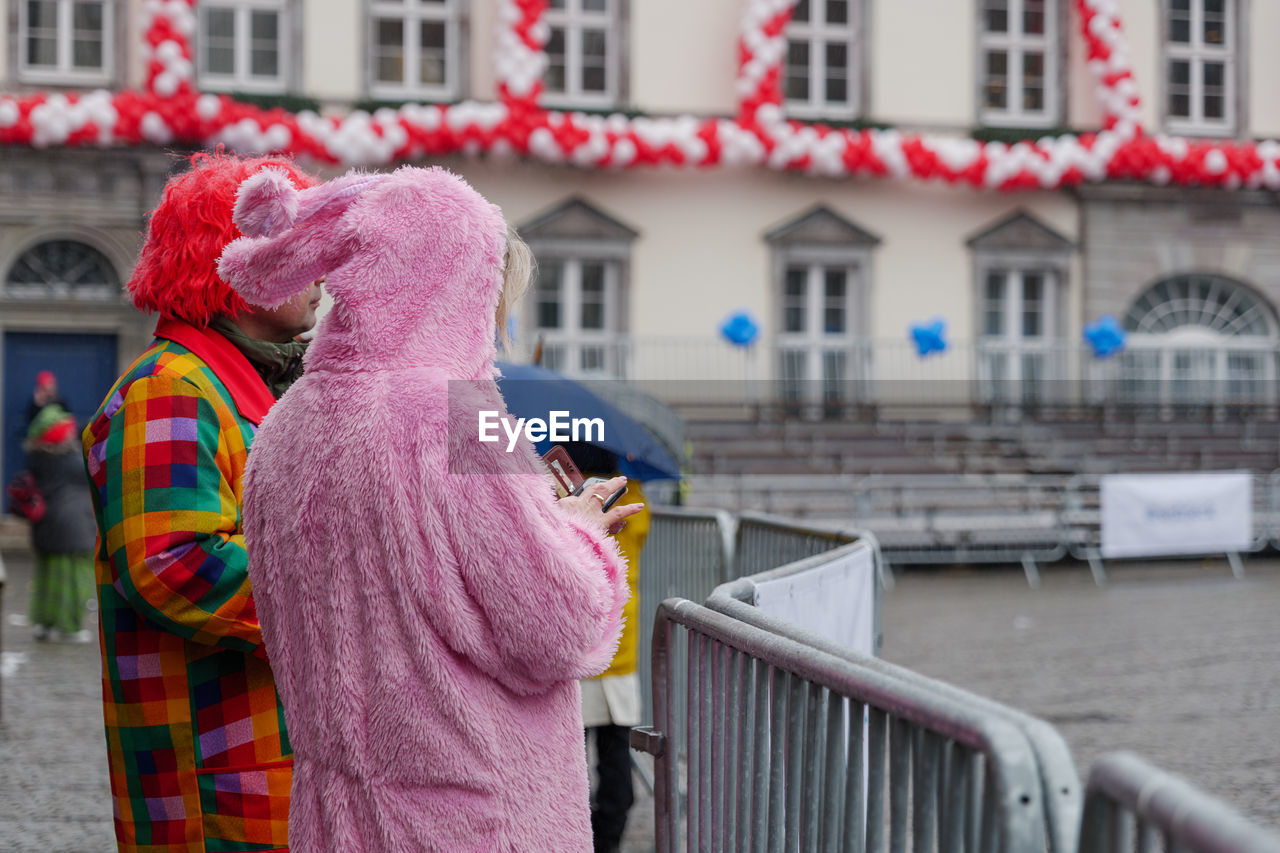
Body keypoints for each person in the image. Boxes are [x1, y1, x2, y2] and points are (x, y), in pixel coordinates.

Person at [216, 164, 640, 852]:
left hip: (335, 815)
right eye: (494, 298)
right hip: (470, 816)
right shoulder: (458, 416)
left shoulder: (285, 423)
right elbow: (558, 623)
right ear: (457, 285)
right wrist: (584, 537)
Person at [81, 151, 320, 852]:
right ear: (238, 267)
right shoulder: (174, 387)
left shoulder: (237, 386)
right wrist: (355, 588)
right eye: (297, 250)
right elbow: (174, 564)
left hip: (257, 767)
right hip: (217, 786)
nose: (321, 270)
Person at [560, 445, 653, 853]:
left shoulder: (565, 500)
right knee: (615, 762)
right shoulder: (633, 500)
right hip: (619, 652)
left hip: (574, 656)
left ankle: (575, 837)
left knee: (568, 767)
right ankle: (609, 839)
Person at [23, 404, 96, 642]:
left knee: (47, 579)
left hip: (47, 527)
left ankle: (44, 623)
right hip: (72, 528)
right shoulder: (71, 460)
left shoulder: (39, 458)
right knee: (74, 580)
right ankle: (69, 627)